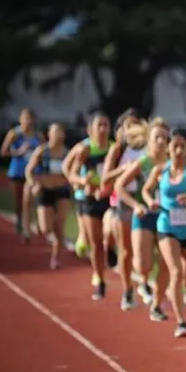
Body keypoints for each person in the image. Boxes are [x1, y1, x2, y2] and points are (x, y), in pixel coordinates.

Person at [142, 129, 186, 338]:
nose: (178, 150)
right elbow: (146, 190)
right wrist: (150, 202)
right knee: (176, 272)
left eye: (182, 146)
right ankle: (181, 322)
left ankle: (168, 296)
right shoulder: (160, 170)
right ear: (168, 148)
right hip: (166, 226)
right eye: (175, 146)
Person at [116, 119, 172, 321]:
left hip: (167, 218)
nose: (161, 142)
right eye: (157, 137)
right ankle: (136, 286)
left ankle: (156, 305)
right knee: (142, 265)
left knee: (167, 264)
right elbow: (120, 186)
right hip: (144, 216)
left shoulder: (173, 164)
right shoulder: (144, 162)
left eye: (165, 138)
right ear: (149, 140)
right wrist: (136, 205)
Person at [102, 111, 149, 310]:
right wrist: (123, 170)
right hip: (124, 201)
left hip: (144, 200)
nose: (131, 130)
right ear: (120, 130)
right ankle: (128, 289)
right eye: (127, 126)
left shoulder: (148, 147)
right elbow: (105, 178)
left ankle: (145, 283)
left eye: (135, 125)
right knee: (127, 250)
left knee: (144, 249)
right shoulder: (118, 150)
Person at [64, 112, 113, 300]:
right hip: (88, 199)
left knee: (108, 234)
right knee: (96, 243)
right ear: (90, 129)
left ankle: (111, 250)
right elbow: (72, 173)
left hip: (108, 198)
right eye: (99, 125)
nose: (102, 129)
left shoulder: (113, 149)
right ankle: (100, 280)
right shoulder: (85, 149)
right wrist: (82, 181)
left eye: (106, 125)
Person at [23, 123, 72, 269]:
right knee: (46, 229)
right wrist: (34, 184)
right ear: (49, 134)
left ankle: (56, 257)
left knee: (60, 226)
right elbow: (29, 171)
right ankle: (42, 228)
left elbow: (73, 171)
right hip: (45, 191)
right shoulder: (42, 151)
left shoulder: (67, 153)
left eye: (61, 132)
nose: (58, 135)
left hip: (62, 191)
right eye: (55, 132)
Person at [0, 108, 42, 241]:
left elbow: (45, 152)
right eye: (25, 118)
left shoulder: (38, 136)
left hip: (33, 172)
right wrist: (19, 152)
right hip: (17, 171)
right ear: (20, 119)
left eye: (30, 118)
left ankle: (30, 226)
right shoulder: (14, 134)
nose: (28, 121)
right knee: (19, 201)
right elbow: (3, 152)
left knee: (32, 200)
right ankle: (20, 221)